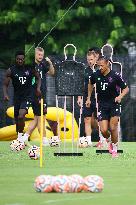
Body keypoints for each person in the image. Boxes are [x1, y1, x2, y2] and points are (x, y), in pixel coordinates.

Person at [86, 56, 129, 157]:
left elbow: (126, 88)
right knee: (104, 130)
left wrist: (120, 96)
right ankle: (110, 141)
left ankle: (114, 149)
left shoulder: (115, 75)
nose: (100, 67)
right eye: (98, 65)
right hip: (102, 105)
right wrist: (88, 98)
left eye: (102, 65)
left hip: (114, 104)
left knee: (113, 127)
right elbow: (90, 84)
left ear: (108, 64)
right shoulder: (95, 75)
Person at [3, 51, 41, 142]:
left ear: (24, 60)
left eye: (22, 59)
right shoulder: (11, 70)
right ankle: (19, 136)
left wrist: (38, 89)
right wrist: (5, 94)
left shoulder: (30, 69)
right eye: (18, 59)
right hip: (17, 97)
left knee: (21, 115)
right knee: (18, 119)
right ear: (16, 59)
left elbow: (38, 77)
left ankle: (21, 138)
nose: (20, 61)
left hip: (28, 96)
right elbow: (5, 84)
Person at [23, 47, 55, 146]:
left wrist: (49, 62)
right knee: (41, 117)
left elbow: (52, 73)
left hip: (43, 94)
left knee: (38, 118)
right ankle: (44, 139)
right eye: (39, 55)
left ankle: (24, 137)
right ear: (35, 55)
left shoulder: (43, 65)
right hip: (36, 95)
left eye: (42, 55)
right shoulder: (30, 66)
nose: (41, 57)